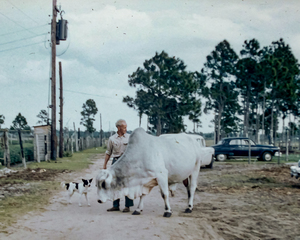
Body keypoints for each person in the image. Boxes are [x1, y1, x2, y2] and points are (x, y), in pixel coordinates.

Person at [103, 119, 134, 212]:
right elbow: (108, 152)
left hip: (126, 162)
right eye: (124, 127)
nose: (125, 129)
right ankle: (115, 205)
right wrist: (104, 164)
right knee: (115, 184)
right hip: (116, 162)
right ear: (118, 127)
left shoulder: (129, 137)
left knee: (127, 184)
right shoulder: (112, 139)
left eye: (126, 127)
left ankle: (127, 206)